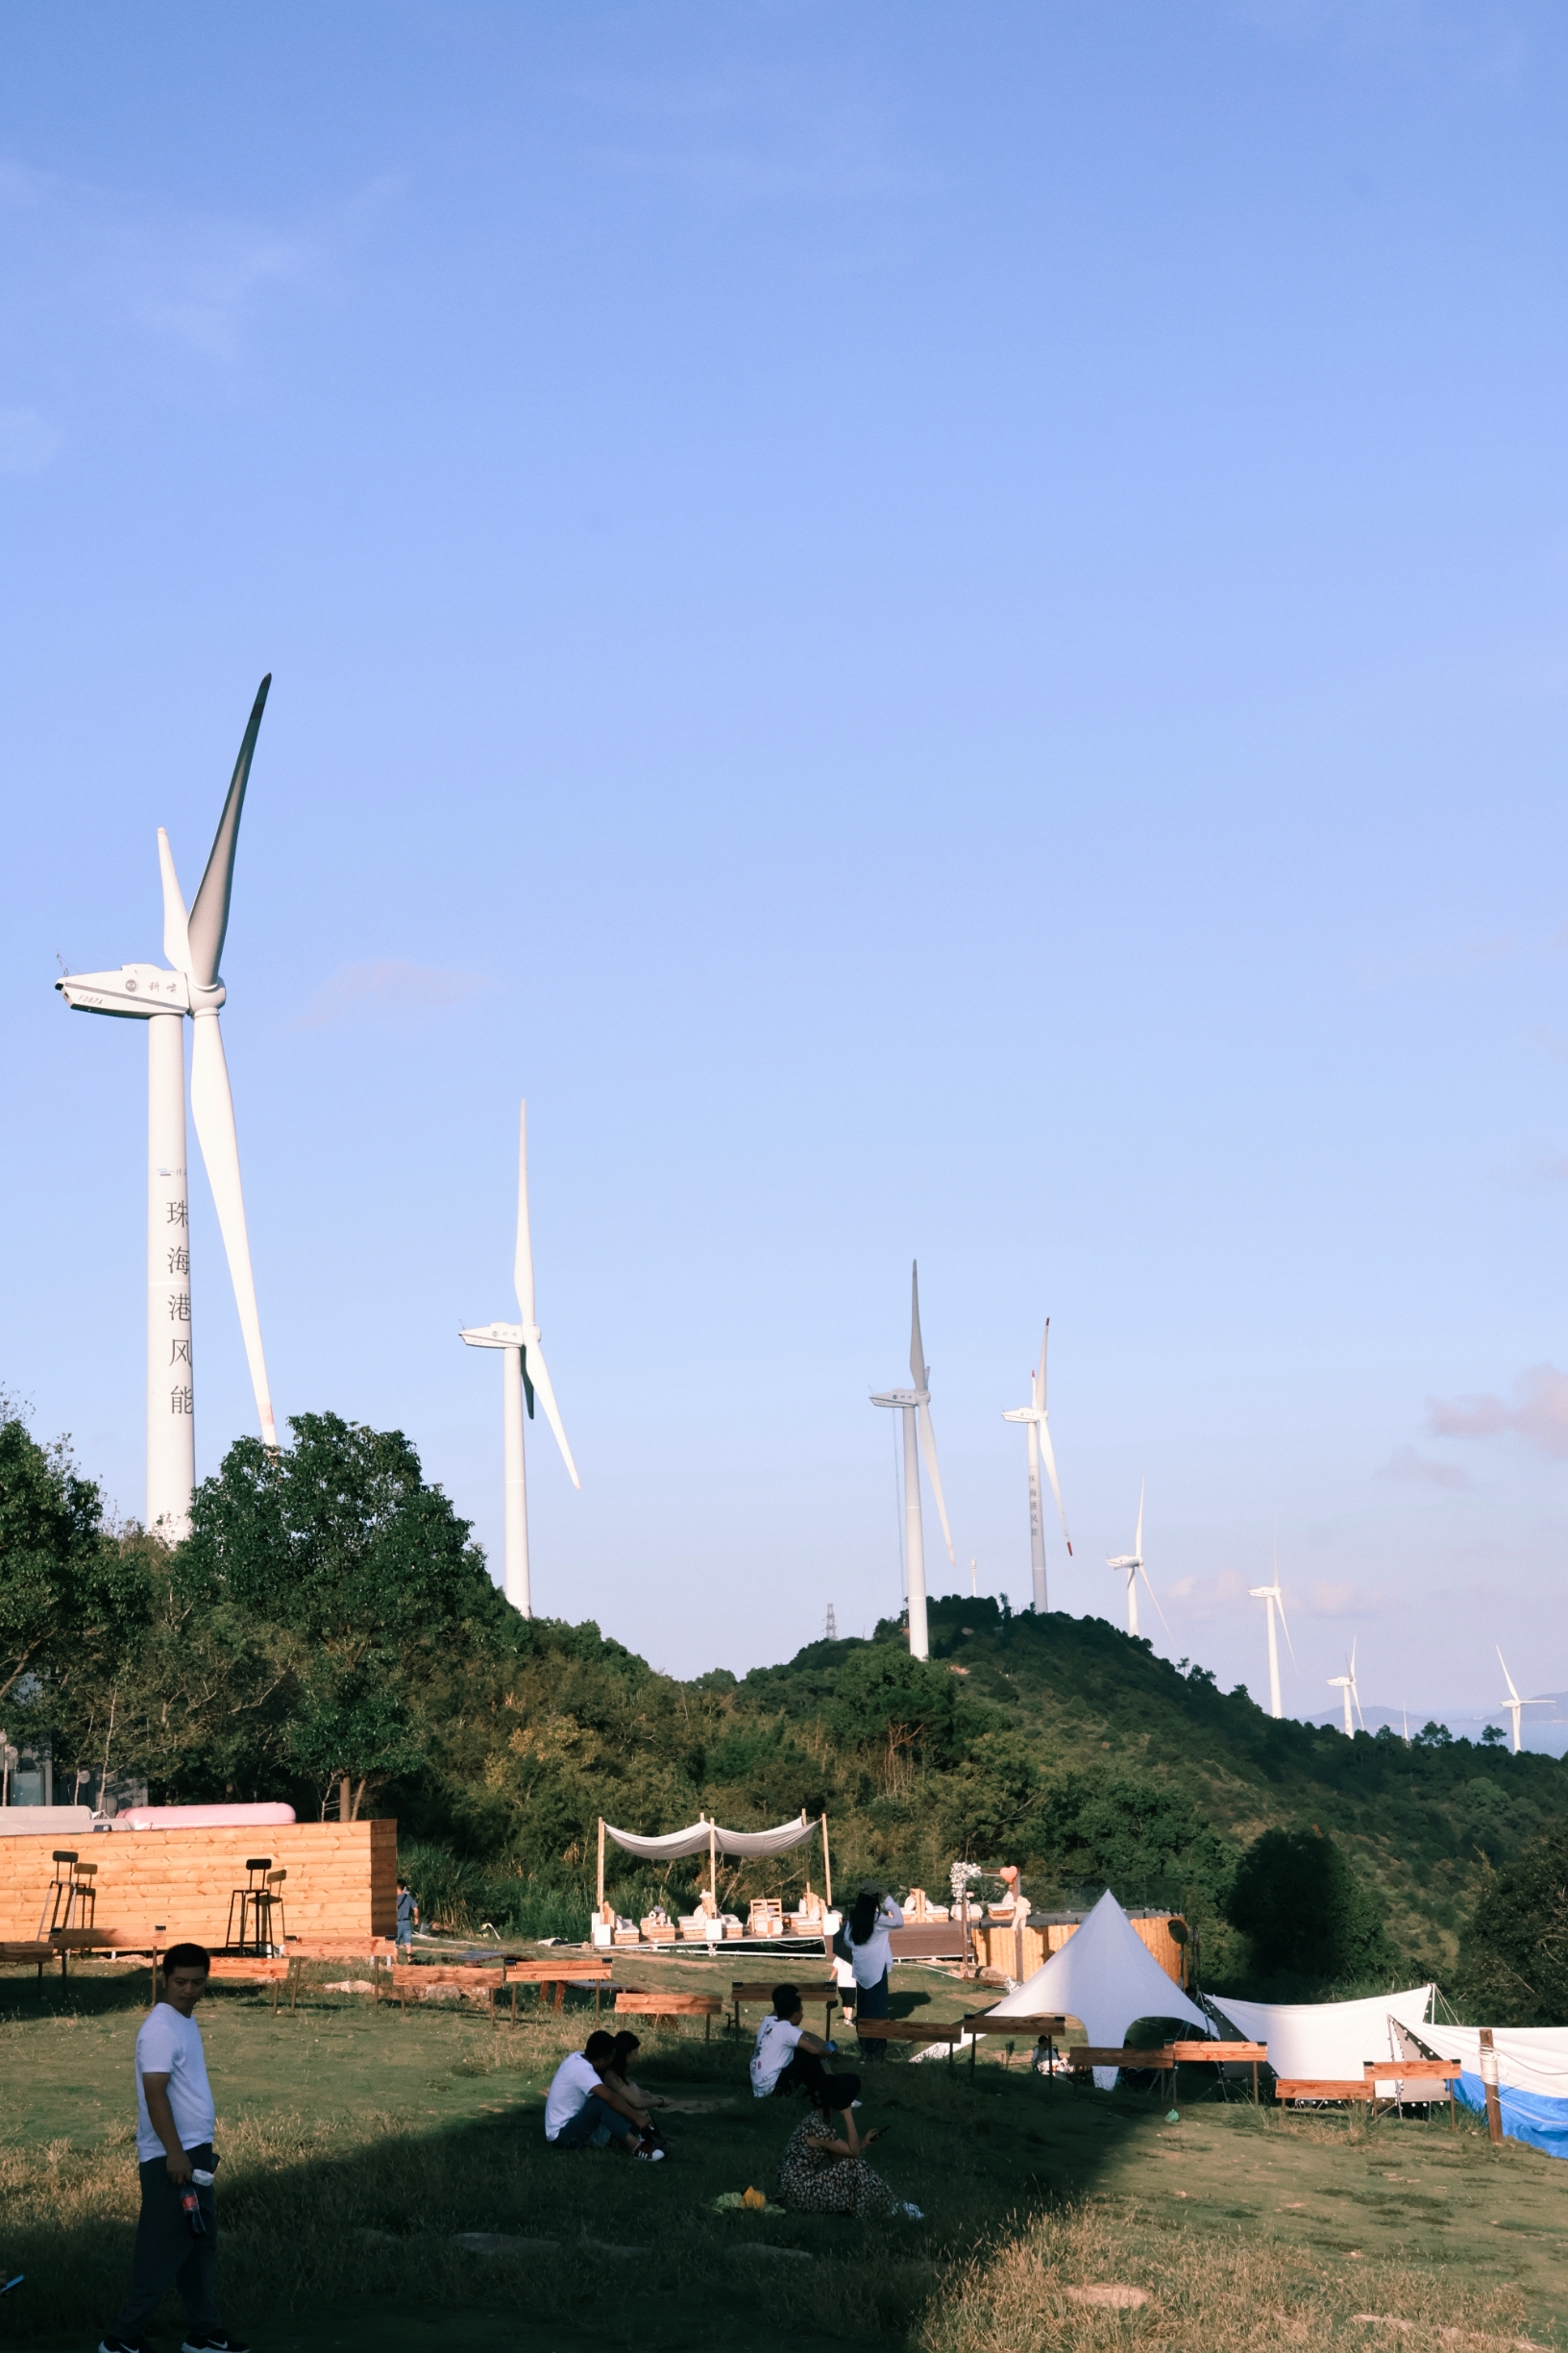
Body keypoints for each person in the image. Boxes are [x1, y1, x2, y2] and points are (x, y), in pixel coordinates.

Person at [98, 1941, 249, 2353]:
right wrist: (176, 2154)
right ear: (165, 1979)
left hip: (194, 2153)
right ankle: (122, 2338)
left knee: (199, 2246)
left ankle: (203, 2333)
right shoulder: (160, 2028)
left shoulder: (185, 2019)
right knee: (161, 2248)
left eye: (197, 1982)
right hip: (172, 2158)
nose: (188, 1990)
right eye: (180, 1982)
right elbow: (155, 2093)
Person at [777, 2074, 910, 2218]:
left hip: (797, 2187)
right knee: (854, 2166)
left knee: (852, 2165)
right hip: (798, 2190)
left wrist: (864, 2143)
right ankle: (890, 2206)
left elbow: (838, 2157)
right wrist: (847, 2115)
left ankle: (888, 2204)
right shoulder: (816, 2128)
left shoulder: (819, 2122)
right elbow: (853, 2153)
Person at [543, 2029, 664, 2158]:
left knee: (608, 2103)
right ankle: (638, 2147)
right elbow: (609, 2097)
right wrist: (636, 2117)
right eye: (612, 2057)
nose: (613, 2061)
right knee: (600, 2103)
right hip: (562, 2136)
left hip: (570, 2125)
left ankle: (641, 2136)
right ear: (601, 2061)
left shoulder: (577, 2057)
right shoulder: (583, 2071)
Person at [845, 1881, 904, 2062]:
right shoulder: (878, 1919)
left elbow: (848, 1941)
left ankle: (865, 2048)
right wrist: (889, 1900)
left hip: (861, 1971)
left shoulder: (853, 1918)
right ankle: (877, 2052)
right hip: (877, 1970)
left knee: (863, 2010)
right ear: (874, 1901)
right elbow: (899, 1921)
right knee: (877, 2011)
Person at [750, 1983, 836, 2100]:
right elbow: (815, 2050)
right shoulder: (786, 2029)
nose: (803, 2015)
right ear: (795, 2014)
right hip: (772, 2090)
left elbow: (804, 2036)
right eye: (801, 2011)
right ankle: (828, 2093)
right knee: (807, 2056)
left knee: (802, 2053)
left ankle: (821, 2091)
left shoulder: (774, 2025)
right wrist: (829, 2053)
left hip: (760, 2088)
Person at [395, 1878, 419, 1950]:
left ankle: (396, 1962)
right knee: (408, 1943)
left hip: (396, 1923)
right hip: (406, 1923)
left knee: (394, 1945)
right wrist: (416, 1919)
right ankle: (409, 1960)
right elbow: (416, 1909)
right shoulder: (408, 1898)